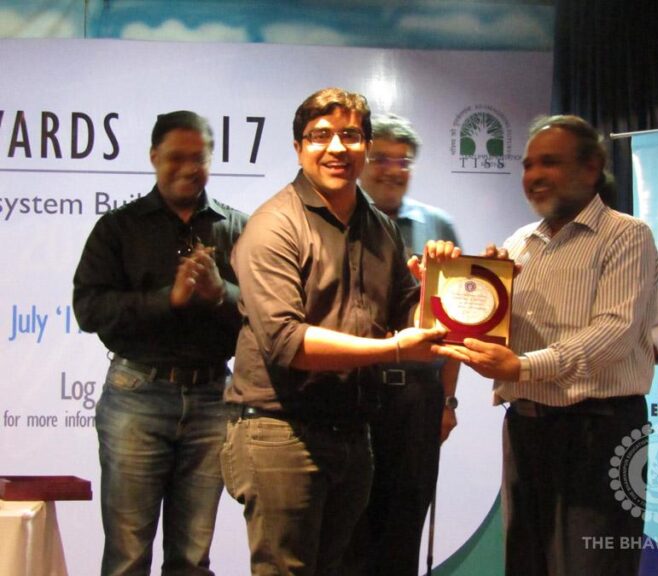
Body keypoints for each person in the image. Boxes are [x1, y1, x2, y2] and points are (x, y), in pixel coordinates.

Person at [221, 88, 452, 576]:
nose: (336, 147)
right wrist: (393, 349)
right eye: (320, 135)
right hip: (281, 433)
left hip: (352, 434)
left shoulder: (379, 227)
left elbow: (409, 313)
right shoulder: (273, 226)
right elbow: (288, 343)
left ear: (364, 146)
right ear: (298, 148)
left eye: (350, 135)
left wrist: (441, 285)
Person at [451, 114, 658, 575]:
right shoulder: (519, 243)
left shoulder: (627, 235)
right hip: (526, 431)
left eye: (550, 162)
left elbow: (614, 333)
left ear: (591, 168)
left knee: (593, 568)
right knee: (526, 566)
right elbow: (493, 331)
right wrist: (464, 289)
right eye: (528, 165)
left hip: (600, 434)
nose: (534, 175)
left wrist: (523, 367)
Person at [72, 111, 248, 575]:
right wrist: (165, 300)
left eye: (199, 158)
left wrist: (221, 294)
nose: (189, 168)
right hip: (137, 395)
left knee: (192, 558)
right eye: (176, 158)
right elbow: (89, 309)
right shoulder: (119, 228)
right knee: (127, 556)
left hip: (212, 398)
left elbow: (267, 316)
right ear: (154, 157)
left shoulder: (238, 229)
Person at [343, 113, 461, 576]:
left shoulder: (438, 227)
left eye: (403, 161)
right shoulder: (338, 222)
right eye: (381, 159)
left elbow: (456, 328)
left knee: (403, 532)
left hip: (417, 400)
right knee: (349, 534)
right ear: (360, 162)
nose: (393, 170)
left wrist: (447, 401)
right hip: (353, 393)